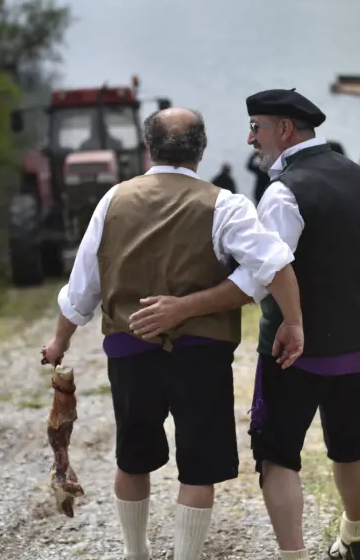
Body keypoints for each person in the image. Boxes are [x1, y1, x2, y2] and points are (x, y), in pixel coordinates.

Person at [40, 107, 305, 560]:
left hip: (130, 348)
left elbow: (82, 286)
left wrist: (60, 341)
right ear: (200, 150)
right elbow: (275, 263)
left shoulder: (113, 200)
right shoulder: (225, 204)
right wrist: (293, 321)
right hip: (201, 352)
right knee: (198, 468)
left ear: (148, 148)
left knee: (132, 457)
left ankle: (135, 553)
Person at [241, 88, 360, 560]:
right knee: (351, 445)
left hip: (293, 349)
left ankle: (293, 556)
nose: (250, 138)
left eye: (256, 127)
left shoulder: (284, 192)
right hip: (359, 342)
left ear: (284, 130)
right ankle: (356, 537)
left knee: (278, 454)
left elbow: (265, 276)